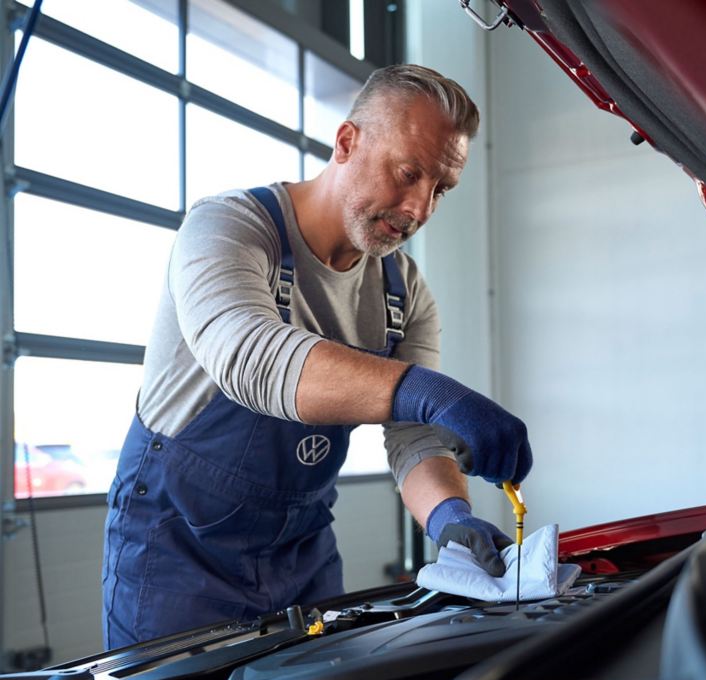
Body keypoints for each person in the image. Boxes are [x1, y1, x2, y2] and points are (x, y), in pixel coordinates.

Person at [102, 64, 532, 648]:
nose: (419, 208)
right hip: (178, 551)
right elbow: (250, 358)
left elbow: (415, 436)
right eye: (408, 173)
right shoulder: (229, 228)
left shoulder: (403, 293)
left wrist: (449, 520)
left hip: (301, 554)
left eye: (440, 188)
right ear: (348, 142)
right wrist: (434, 394)